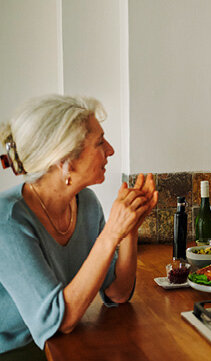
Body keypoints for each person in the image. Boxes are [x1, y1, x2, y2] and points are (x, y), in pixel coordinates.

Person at [0, 95, 158, 360]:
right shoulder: (8, 220)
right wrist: (111, 235)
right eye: (99, 142)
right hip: (14, 351)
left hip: (59, 344)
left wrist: (129, 229)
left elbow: (117, 293)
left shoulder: (85, 202)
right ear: (65, 161)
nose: (110, 150)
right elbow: (58, 321)